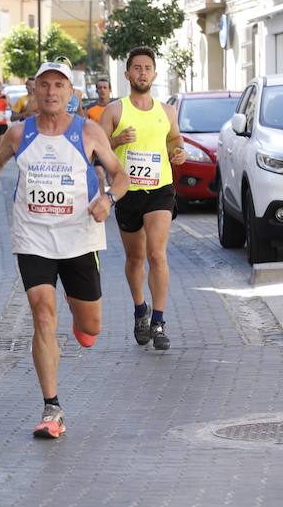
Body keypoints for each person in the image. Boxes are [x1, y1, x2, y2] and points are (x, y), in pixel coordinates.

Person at [0, 60, 128, 439]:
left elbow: (120, 176)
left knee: (90, 328)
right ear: (34, 91)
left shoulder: (86, 131)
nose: (52, 92)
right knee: (42, 313)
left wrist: (107, 198)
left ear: (71, 94)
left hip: (79, 238)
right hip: (33, 235)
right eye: (45, 85)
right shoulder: (20, 133)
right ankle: (51, 406)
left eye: (60, 86)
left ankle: (78, 310)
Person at [99, 47, 186, 351]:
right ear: (127, 74)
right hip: (127, 191)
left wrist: (178, 151)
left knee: (157, 255)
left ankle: (159, 321)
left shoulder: (166, 111)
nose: (142, 73)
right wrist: (116, 140)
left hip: (160, 189)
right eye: (136, 68)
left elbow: (175, 138)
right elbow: (96, 147)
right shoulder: (115, 110)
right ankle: (140, 310)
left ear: (154, 74)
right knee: (135, 257)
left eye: (147, 68)